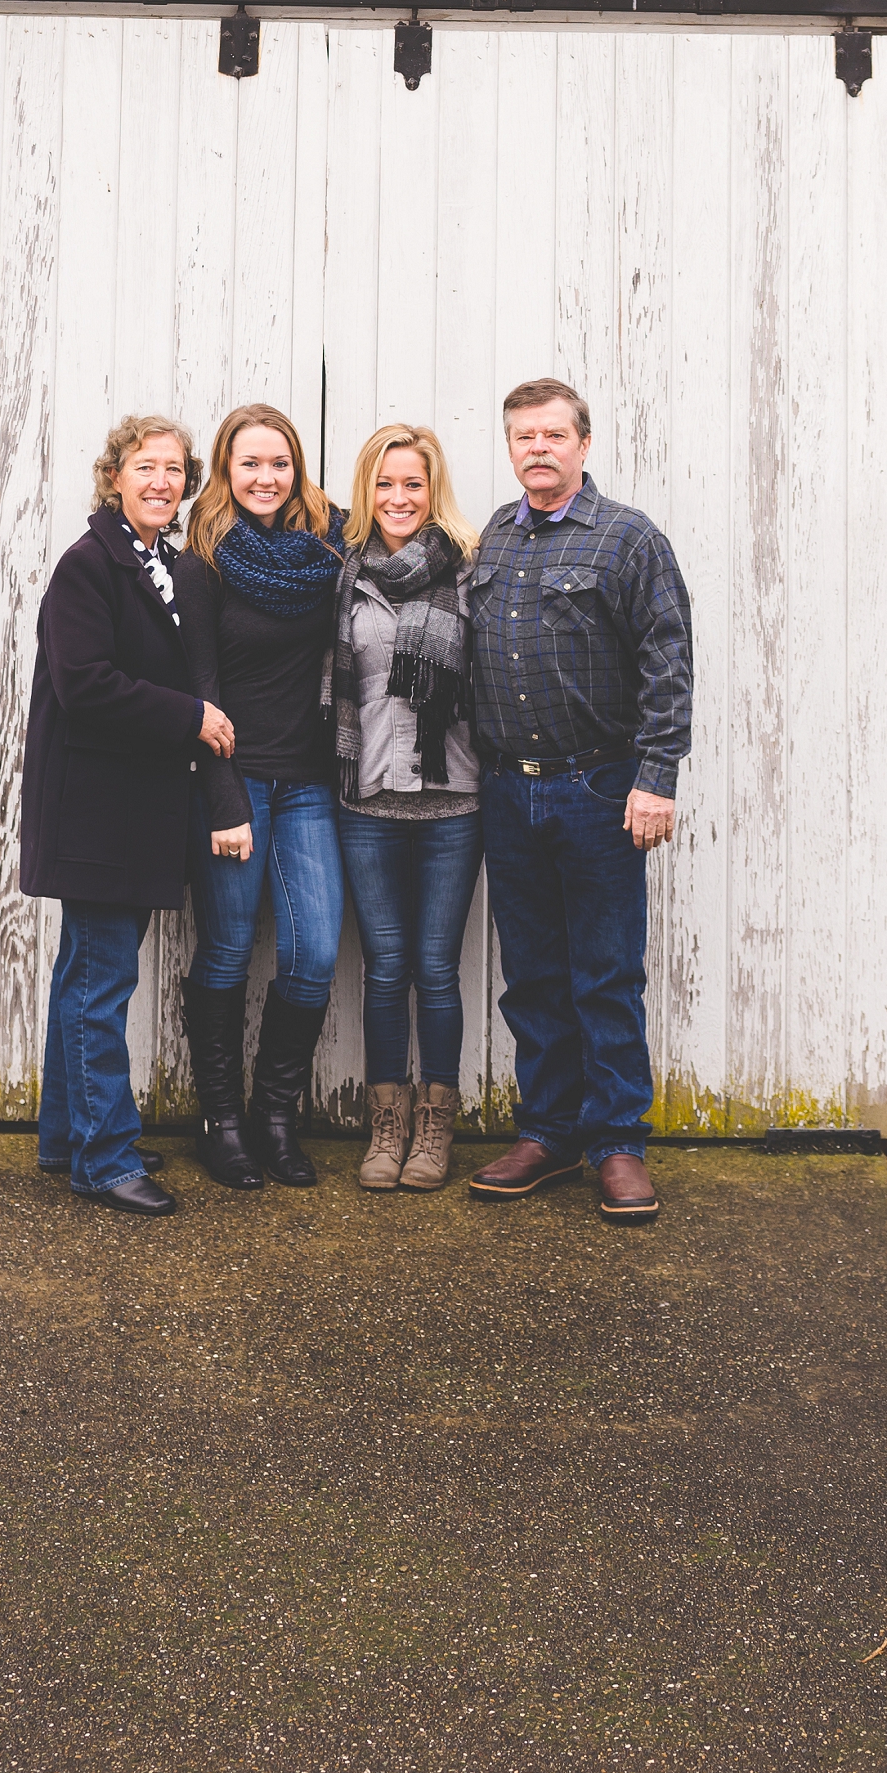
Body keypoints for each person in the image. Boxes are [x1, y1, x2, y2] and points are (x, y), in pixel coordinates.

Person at [465, 376, 691, 1228]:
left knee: (604, 975)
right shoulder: (494, 535)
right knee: (532, 978)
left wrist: (656, 777)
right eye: (524, 436)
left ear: (583, 445)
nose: (538, 448)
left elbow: (669, 661)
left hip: (600, 789)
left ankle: (618, 1144)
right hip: (507, 790)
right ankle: (548, 1134)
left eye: (554, 435)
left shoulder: (628, 541)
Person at [21, 412, 251, 1216]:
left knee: (83, 975)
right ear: (113, 474)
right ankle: (105, 1160)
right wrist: (190, 714)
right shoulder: (89, 566)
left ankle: (69, 1137)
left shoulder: (161, 562)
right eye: (146, 467)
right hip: (95, 811)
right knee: (100, 984)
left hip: (126, 811)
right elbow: (84, 682)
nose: (162, 481)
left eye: (175, 470)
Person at [177, 401, 346, 1189]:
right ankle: (221, 1122)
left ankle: (276, 1116)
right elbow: (199, 691)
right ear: (225, 470)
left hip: (309, 781)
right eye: (249, 464)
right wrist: (223, 800)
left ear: (297, 467)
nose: (265, 478)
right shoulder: (203, 561)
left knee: (313, 952)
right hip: (236, 779)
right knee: (227, 949)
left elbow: (406, 518)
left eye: (279, 463)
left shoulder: (327, 545)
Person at [331, 423, 484, 1195]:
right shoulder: (345, 571)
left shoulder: (468, 571)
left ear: (433, 490)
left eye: (412, 484)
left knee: (435, 968)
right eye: (385, 484)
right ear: (368, 490)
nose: (398, 498)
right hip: (367, 802)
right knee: (386, 970)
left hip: (453, 802)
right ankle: (385, 1122)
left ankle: (435, 1126)